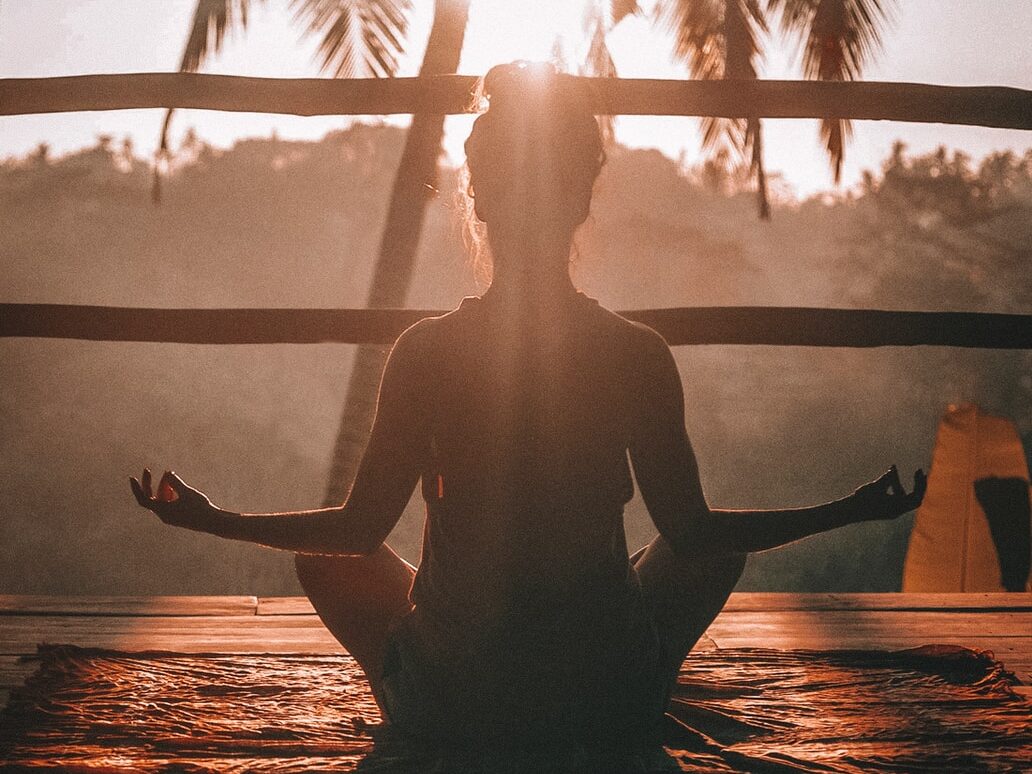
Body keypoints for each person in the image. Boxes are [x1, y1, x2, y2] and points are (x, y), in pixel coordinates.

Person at [131, 62, 925, 751]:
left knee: (327, 559)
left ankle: (423, 693)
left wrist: (212, 519)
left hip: (454, 706)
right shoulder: (635, 352)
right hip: (603, 699)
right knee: (713, 549)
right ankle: (632, 687)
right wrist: (849, 509)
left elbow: (356, 531)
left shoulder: (428, 352)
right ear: (581, 201)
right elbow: (694, 533)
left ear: (479, 201)